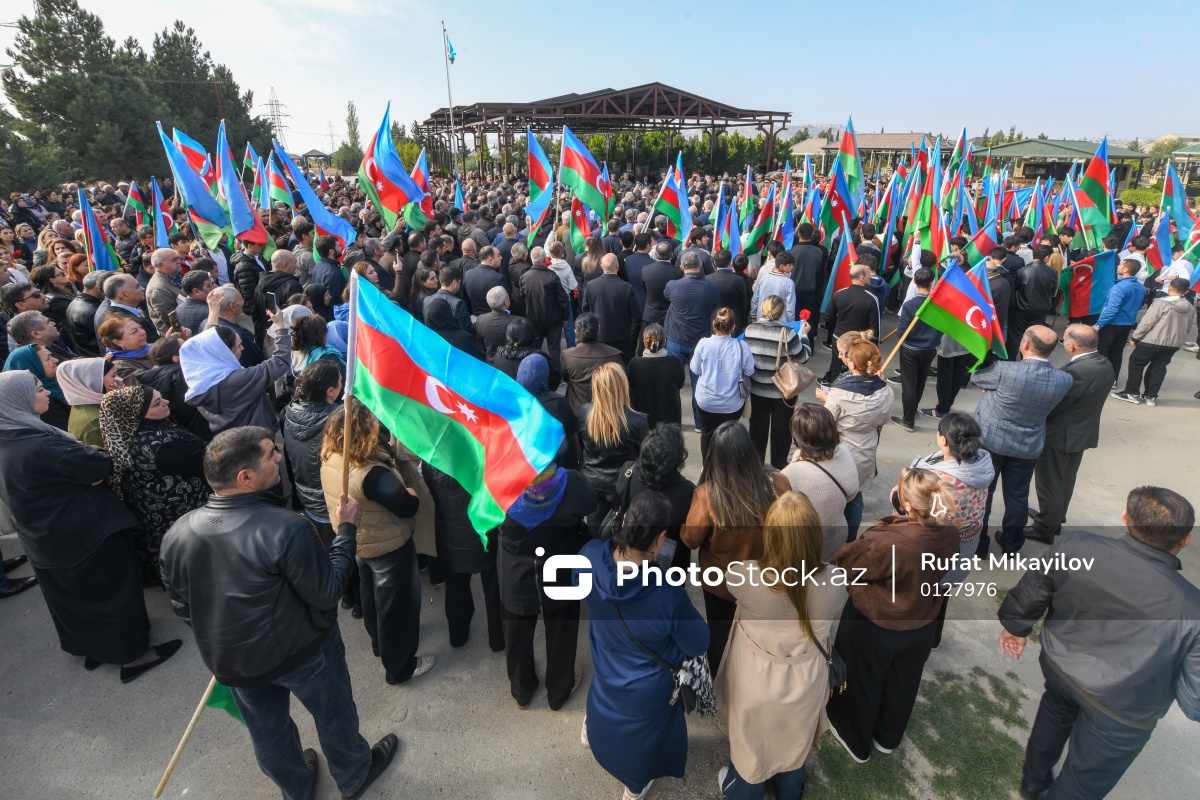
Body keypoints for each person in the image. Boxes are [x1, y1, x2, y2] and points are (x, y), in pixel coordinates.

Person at [161, 427, 399, 800]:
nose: (278, 457)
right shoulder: (287, 527)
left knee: (267, 733)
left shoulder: (177, 533)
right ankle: (354, 773)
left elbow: (182, 605)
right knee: (333, 715)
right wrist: (346, 531)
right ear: (245, 477)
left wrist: (224, 630)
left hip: (234, 662)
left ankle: (296, 788)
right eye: (271, 453)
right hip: (305, 653)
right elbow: (328, 592)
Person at [999, 486, 1200, 800]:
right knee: (1081, 785)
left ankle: (1033, 784)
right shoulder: (1193, 608)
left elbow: (1034, 587)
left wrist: (1015, 627)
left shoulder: (1077, 545)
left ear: (1125, 516)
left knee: (1054, 713)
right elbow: (1194, 700)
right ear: (1185, 540)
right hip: (1122, 711)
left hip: (1060, 668)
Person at [0, 371, 181, 681]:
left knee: (74, 599)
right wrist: (91, 468)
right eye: (39, 390)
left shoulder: (10, 435)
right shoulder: (40, 445)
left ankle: (94, 650)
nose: (47, 393)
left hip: (42, 536)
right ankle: (134, 656)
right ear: (16, 401)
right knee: (113, 590)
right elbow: (100, 464)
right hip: (84, 533)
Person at [715, 491, 848, 800]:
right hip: (807, 679)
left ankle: (745, 792)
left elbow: (730, 578)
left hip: (755, 681)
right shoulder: (836, 581)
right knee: (795, 741)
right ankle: (790, 790)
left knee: (751, 747)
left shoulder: (747, 577)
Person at [578, 492, 709, 800]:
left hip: (606, 659)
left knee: (603, 698)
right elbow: (698, 641)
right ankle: (634, 786)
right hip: (647, 686)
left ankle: (590, 732)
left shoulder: (588, 555)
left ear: (624, 520)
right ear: (660, 540)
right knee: (645, 737)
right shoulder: (667, 594)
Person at [824, 468, 960, 764]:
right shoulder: (949, 531)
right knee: (903, 683)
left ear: (907, 504)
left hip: (877, 625)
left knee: (863, 682)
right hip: (922, 622)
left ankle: (854, 739)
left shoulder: (889, 541)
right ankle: (887, 737)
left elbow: (848, 562)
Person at [319, 400, 435, 685]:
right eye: (372, 420)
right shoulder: (372, 473)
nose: (377, 423)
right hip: (388, 546)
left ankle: (379, 644)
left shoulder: (332, 456)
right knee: (398, 608)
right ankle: (401, 667)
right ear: (362, 430)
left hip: (360, 542)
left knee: (371, 596)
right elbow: (407, 506)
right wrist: (411, 491)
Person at [682, 421, 792, 671]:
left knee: (721, 636)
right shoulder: (779, 484)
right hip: (766, 580)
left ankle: (723, 676)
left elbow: (690, 540)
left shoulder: (706, 494)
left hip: (721, 585)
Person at [498, 459, 595, 710]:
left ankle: (522, 691)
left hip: (515, 570)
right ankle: (559, 691)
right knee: (562, 628)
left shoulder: (495, 485)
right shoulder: (569, 483)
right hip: (559, 565)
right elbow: (591, 502)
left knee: (516, 630)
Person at [971, 327, 1072, 555]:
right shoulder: (1064, 379)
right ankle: (1012, 544)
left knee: (983, 494)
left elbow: (976, 377)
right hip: (1028, 445)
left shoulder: (1004, 370)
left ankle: (979, 545)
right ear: (1052, 350)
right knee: (1018, 497)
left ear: (1024, 344)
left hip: (991, 440)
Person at [98, 385, 210, 585]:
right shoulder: (162, 444)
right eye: (157, 403)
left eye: (161, 398)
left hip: (155, 518)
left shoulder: (125, 436)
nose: (166, 402)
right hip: (183, 515)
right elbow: (209, 465)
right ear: (138, 414)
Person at [1027, 325, 1114, 545]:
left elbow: (1056, 404)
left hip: (1060, 435)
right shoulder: (1103, 363)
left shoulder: (1077, 372)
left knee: (1050, 483)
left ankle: (1046, 527)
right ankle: (1055, 518)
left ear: (1071, 345)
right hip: (1081, 432)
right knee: (1065, 479)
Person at [181, 293, 291, 434]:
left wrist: (213, 315)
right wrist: (281, 326)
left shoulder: (198, 382)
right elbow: (280, 362)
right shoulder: (239, 380)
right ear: (225, 352)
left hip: (232, 437)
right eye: (238, 346)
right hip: (258, 437)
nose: (242, 348)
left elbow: (208, 346)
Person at [816, 333, 892, 536]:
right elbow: (884, 419)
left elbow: (826, 423)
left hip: (840, 451)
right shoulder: (886, 391)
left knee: (835, 496)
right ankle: (850, 539)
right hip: (866, 449)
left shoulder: (839, 393)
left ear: (853, 364)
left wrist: (827, 399)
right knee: (856, 497)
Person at [423, 461, 504, 652]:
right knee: (493, 588)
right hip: (482, 532)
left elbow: (434, 494)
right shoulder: (480, 459)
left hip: (449, 533)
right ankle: (498, 639)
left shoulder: (428, 463)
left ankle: (458, 635)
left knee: (455, 587)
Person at [782, 403, 860, 560]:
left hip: (804, 548)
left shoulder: (790, 474)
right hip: (836, 538)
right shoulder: (844, 452)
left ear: (798, 438)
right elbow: (852, 494)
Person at [613, 423, 695, 571]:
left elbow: (618, 495)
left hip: (630, 551)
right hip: (671, 563)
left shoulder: (628, 472)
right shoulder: (687, 491)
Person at [578, 362, 650, 530]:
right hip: (623, 486)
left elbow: (582, 446)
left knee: (594, 531)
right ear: (622, 386)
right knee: (622, 532)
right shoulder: (638, 421)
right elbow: (643, 457)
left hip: (592, 482)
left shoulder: (584, 413)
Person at [743, 295, 810, 469]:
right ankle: (779, 463)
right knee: (782, 429)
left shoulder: (750, 330)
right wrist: (804, 336)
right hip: (784, 390)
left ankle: (756, 463)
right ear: (781, 312)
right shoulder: (788, 333)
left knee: (757, 427)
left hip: (757, 388)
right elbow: (803, 357)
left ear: (762, 309)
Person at [282, 360, 342, 543]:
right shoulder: (338, 421)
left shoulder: (290, 410)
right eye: (340, 382)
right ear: (330, 391)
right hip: (332, 505)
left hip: (308, 500)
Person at [1112, 278, 1197, 406]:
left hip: (1153, 340)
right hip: (1173, 343)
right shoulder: (1190, 307)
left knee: (1136, 363)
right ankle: (1150, 396)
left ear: (1169, 288)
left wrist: (1135, 337)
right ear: (1186, 291)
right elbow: (1188, 328)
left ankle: (1132, 392)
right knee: (1158, 368)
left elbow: (1147, 322)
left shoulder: (1161, 303)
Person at [690, 307, 755, 457]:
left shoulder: (703, 344)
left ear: (714, 324)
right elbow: (750, 370)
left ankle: (707, 465)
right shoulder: (741, 346)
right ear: (733, 327)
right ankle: (726, 465)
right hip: (732, 404)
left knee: (707, 433)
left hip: (706, 402)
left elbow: (695, 369)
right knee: (728, 437)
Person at [137, 336, 214, 442]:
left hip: (189, 433)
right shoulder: (185, 376)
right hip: (208, 431)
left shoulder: (153, 379)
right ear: (177, 358)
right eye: (186, 347)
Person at [891, 267, 939, 432]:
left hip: (910, 349)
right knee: (920, 380)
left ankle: (908, 420)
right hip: (930, 349)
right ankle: (913, 410)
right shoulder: (937, 306)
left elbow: (901, 332)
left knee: (909, 384)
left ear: (914, 281)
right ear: (932, 282)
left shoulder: (910, 305)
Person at [819, 265, 881, 385]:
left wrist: (837, 327)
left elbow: (828, 316)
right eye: (868, 274)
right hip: (859, 342)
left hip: (839, 337)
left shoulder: (839, 294)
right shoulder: (871, 299)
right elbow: (875, 328)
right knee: (856, 367)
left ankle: (832, 386)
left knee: (836, 365)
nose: (870, 277)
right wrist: (874, 348)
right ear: (862, 277)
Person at [516, 353, 579, 469]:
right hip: (558, 468)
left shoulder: (514, 403)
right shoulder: (558, 403)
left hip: (527, 468)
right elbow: (573, 434)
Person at [1094, 258, 1146, 383]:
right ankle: (1113, 379)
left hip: (1111, 324)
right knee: (1117, 353)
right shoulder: (1141, 287)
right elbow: (1139, 305)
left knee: (1102, 352)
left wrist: (1098, 325)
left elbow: (1111, 309)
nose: (1117, 266)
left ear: (1126, 269)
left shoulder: (1119, 287)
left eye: (1120, 264)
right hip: (1127, 324)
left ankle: (1100, 380)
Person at [625, 323, 685, 429]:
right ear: (664, 341)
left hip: (642, 421)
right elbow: (680, 384)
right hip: (670, 421)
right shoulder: (676, 363)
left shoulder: (634, 364)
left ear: (644, 342)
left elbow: (630, 387)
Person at [561, 312, 624, 412]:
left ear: (576, 332)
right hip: (606, 411)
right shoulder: (614, 355)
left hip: (576, 410)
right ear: (598, 329)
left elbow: (565, 378)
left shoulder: (567, 356)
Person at [584, 253, 640, 361]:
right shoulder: (626, 287)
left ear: (601, 267)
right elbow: (636, 316)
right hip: (622, 339)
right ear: (617, 266)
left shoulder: (590, 286)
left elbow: (585, 312)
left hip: (599, 338)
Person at [57, 357, 122, 446]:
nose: (120, 379)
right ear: (94, 381)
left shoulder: (95, 404)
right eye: (113, 376)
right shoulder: (95, 423)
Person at [4, 342, 69, 429]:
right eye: (48, 359)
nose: (55, 360)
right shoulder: (42, 402)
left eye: (51, 356)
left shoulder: (55, 383)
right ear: (31, 366)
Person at [98, 315, 156, 384]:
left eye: (140, 327)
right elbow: (153, 382)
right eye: (134, 332)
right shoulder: (120, 368)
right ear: (118, 342)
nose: (142, 332)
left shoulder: (154, 347)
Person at [708, 249, 750, 334]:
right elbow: (742, 303)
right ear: (730, 263)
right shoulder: (738, 280)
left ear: (715, 263)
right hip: (733, 321)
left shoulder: (707, 279)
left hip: (713, 321)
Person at [474, 286, 514, 363]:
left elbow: (480, 345)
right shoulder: (517, 322)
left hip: (489, 362)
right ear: (506, 302)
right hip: (510, 363)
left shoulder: (480, 320)